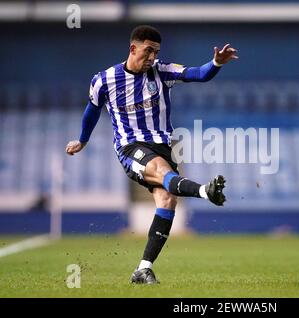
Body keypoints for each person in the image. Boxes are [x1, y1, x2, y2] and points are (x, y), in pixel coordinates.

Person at [65, 25, 238, 284]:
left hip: (163, 146)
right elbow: (92, 110)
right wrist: (82, 140)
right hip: (130, 147)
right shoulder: (104, 80)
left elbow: (199, 74)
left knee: (167, 200)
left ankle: (143, 269)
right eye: (148, 51)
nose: (152, 58)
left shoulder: (162, 72)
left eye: (156, 52)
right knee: (162, 172)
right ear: (133, 48)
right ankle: (205, 191)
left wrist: (216, 62)